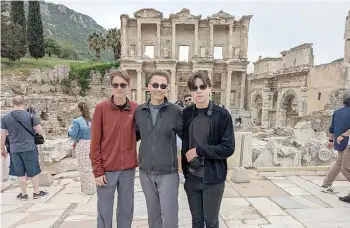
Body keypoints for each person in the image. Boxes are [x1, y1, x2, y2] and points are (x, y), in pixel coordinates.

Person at [182, 71, 234, 228]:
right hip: (192, 177)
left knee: (211, 222)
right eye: (194, 87)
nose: (198, 91)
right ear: (190, 91)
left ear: (210, 88)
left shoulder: (222, 115)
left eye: (202, 86)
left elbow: (228, 148)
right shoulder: (186, 113)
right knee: (196, 222)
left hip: (213, 178)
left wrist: (199, 151)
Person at [90, 70, 139, 228]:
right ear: (111, 86)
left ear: (128, 86)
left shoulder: (135, 109)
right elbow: (95, 142)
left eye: (123, 85)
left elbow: (139, 134)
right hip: (107, 169)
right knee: (104, 211)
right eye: (115, 85)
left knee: (126, 210)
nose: (119, 88)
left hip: (128, 169)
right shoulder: (101, 108)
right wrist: (98, 171)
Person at [135, 70, 183, 228]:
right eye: (155, 85)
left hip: (168, 172)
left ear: (167, 88)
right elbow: (133, 136)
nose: (159, 88)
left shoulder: (175, 111)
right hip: (145, 172)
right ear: (148, 86)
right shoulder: (140, 111)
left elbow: (187, 138)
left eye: (163, 85)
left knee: (170, 219)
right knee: (153, 217)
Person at [0, 95, 48, 200]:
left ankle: (23, 194)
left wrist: (2, 149)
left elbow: (2, 135)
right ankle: (36, 192)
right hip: (29, 147)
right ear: (23, 103)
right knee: (34, 171)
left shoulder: (5, 118)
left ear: (12, 104)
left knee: (20, 173)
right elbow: (39, 130)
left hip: (14, 149)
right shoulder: (31, 116)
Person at [321, 91, 350, 204]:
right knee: (342, 166)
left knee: (339, 164)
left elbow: (331, 128)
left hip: (339, 142)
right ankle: (326, 183)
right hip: (347, 142)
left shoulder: (337, 112)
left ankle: (326, 183)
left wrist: (330, 140)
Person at [68, 102, 96, 195]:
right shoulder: (91, 120)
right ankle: (93, 187)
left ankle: (86, 189)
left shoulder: (76, 121)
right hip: (91, 144)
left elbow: (74, 134)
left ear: (79, 109)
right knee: (91, 166)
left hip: (82, 145)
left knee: (83, 167)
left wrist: (69, 131)